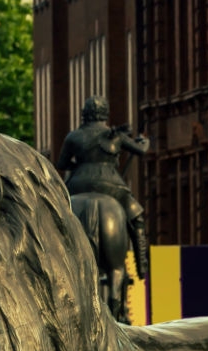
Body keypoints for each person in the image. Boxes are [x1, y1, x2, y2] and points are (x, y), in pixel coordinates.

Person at [55, 97, 151, 280]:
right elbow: (141, 150)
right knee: (137, 218)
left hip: (78, 185)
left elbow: (62, 163)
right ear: (104, 114)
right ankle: (141, 263)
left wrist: (80, 167)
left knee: (56, 214)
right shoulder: (116, 136)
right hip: (111, 186)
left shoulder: (73, 136)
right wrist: (144, 141)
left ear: (85, 114)